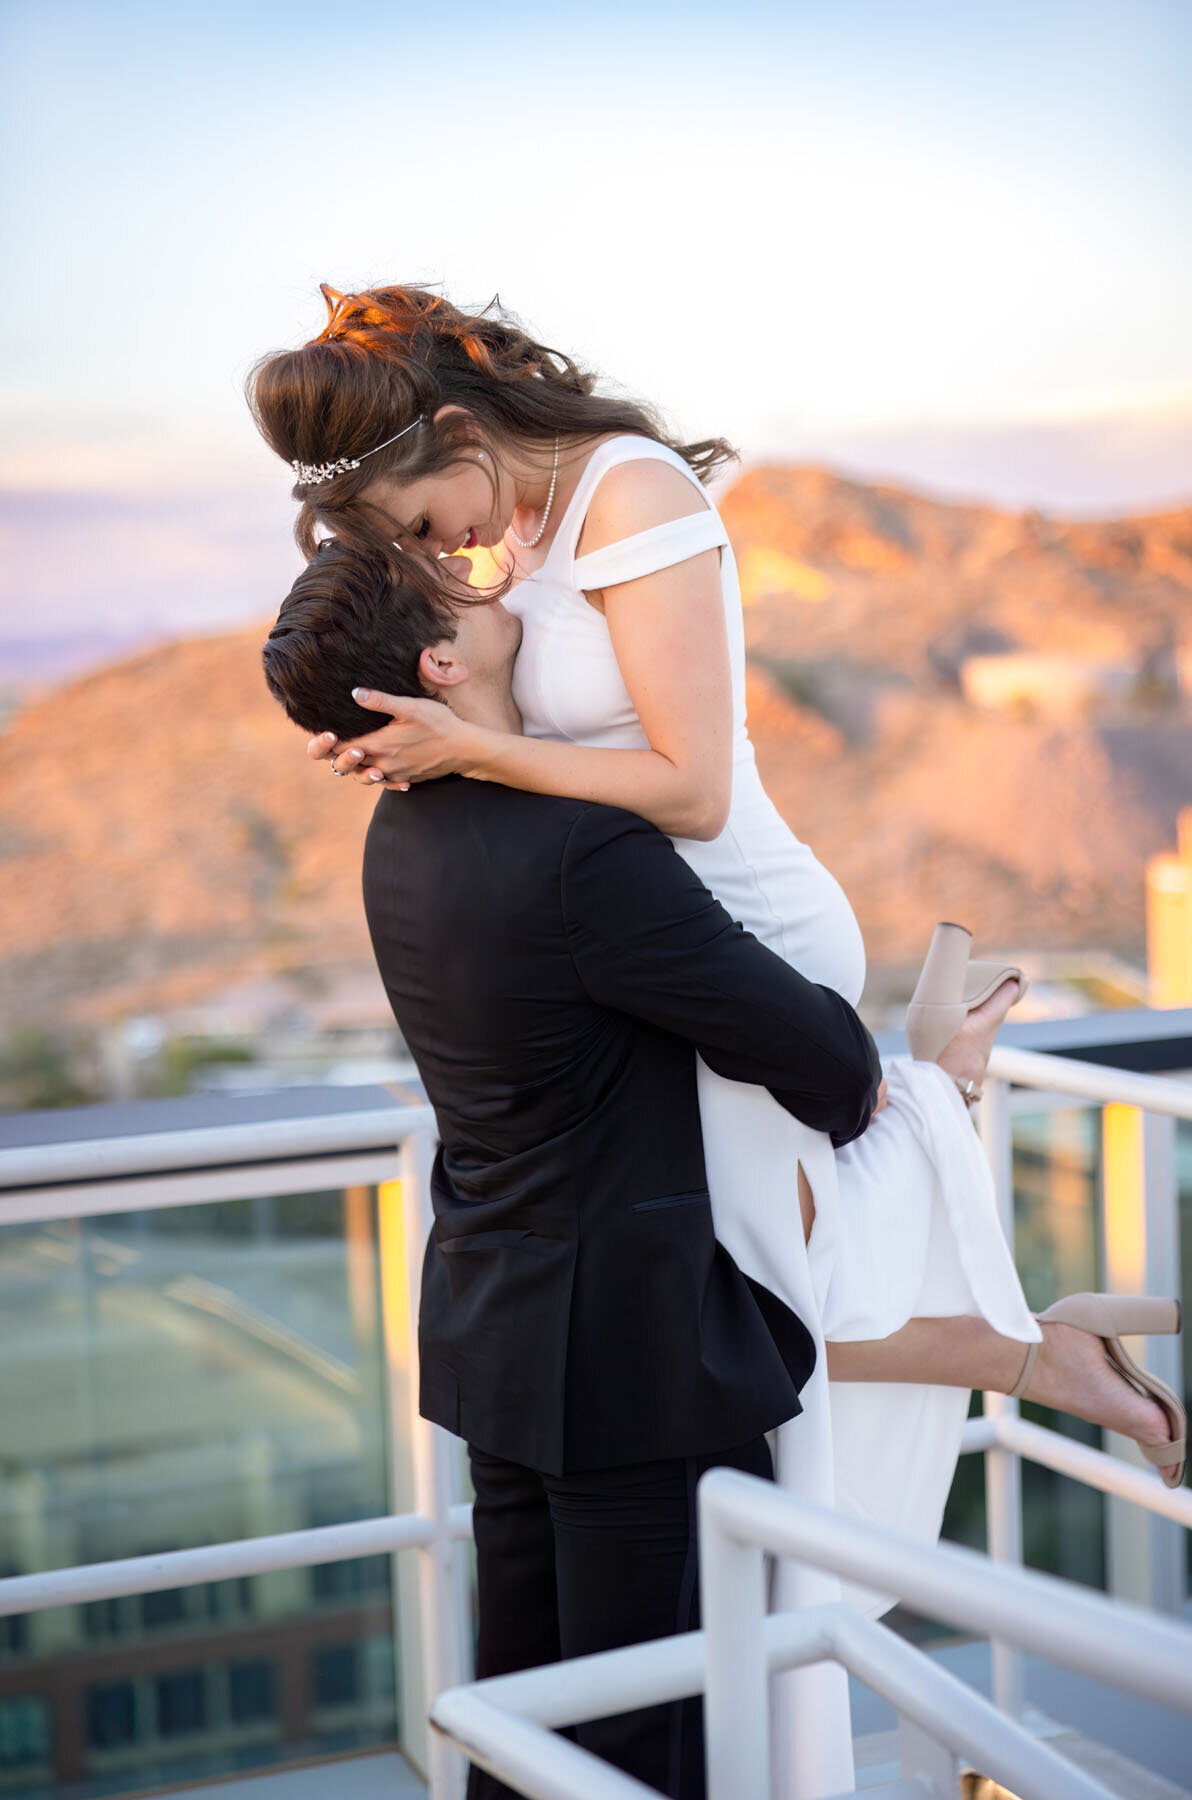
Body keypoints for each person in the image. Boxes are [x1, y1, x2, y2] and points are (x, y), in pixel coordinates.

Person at [249, 287, 1185, 1799]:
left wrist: (469, 751)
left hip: (707, 914)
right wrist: (427, 741)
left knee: (745, 1320)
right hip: (637, 954)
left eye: (425, 521)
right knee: (745, 1321)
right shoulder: (517, 547)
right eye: (412, 551)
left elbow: (687, 789)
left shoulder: (634, 494)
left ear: (469, 438)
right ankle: (1029, 1338)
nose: (437, 558)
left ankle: (1013, 1317)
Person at [262, 541, 885, 1799]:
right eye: (466, 593)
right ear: (442, 663)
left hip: (503, 1336)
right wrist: (880, 1084)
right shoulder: (579, 851)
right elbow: (817, 1054)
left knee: (532, 1720)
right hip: (629, 1366)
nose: (495, 583)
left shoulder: (401, 831)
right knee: (651, 1745)